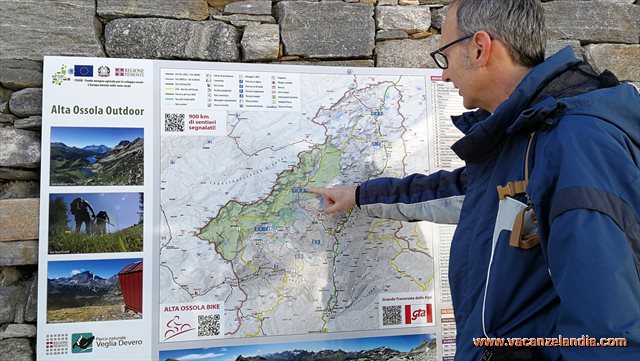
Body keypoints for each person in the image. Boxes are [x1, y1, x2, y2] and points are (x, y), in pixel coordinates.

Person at [308, 0, 640, 360]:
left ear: (480, 47)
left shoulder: (576, 143)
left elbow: (608, 334)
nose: (444, 75)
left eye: (445, 57)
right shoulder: (525, 136)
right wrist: (359, 195)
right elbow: (459, 192)